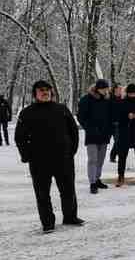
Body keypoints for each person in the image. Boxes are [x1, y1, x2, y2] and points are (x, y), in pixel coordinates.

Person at [15, 80, 84, 233]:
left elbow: (73, 132)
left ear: (51, 92)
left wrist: (71, 151)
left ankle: (70, 216)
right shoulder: (27, 113)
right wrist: (26, 155)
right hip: (39, 161)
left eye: (47, 90)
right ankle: (47, 222)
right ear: (35, 94)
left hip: (63, 159)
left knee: (68, 190)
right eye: (41, 90)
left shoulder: (62, 109)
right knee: (42, 193)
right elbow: (20, 137)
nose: (45, 92)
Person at [78, 79, 113, 194]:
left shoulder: (107, 100)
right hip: (92, 135)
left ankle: (97, 179)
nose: (105, 91)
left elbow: (110, 117)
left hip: (104, 134)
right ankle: (92, 182)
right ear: (97, 88)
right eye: (103, 89)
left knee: (100, 160)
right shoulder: (86, 99)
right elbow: (81, 117)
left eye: (106, 88)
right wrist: (90, 128)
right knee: (93, 159)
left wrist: (110, 129)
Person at [109, 84, 124, 163]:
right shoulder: (110, 99)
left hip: (121, 123)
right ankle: (114, 155)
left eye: (121, 89)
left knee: (119, 140)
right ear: (115, 89)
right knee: (118, 140)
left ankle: (113, 155)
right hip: (112, 124)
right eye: (119, 89)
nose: (120, 90)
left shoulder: (122, 99)